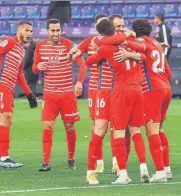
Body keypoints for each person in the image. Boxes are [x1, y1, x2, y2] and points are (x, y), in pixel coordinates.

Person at [85, 19, 148, 184]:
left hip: (119, 91)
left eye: (123, 25)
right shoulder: (121, 40)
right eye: (118, 26)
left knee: (119, 132)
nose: (121, 28)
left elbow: (89, 61)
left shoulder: (110, 44)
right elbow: (143, 52)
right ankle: (91, 171)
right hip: (106, 92)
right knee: (101, 130)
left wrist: (95, 54)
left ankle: (121, 170)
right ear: (113, 27)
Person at [32, 19, 87, 172]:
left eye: (58, 30)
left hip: (66, 94)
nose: (55, 33)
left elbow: (82, 65)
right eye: (52, 31)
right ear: (47, 31)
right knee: (47, 125)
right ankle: (46, 162)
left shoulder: (69, 45)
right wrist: (38, 67)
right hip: (49, 95)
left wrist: (79, 82)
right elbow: (34, 68)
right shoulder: (40, 46)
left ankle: (71, 158)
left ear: (61, 30)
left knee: (69, 127)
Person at [0, 20, 38, 168]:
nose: (29, 34)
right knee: (4, 118)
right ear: (19, 30)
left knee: (7, 120)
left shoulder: (21, 50)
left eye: (31, 32)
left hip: (8, 88)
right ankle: (2, 159)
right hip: (0, 85)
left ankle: (1, 159)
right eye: (26, 30)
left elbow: (19, 73)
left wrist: (29, 93)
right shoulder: (10, 41)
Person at [129, 18, 172, 182]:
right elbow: (168, 73)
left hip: (152, 90)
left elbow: (137, 46)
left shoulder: (141, 42)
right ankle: (166, 169)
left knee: (151, 131)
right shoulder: (157, 44)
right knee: (160, 130)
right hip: (166, 87)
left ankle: (160, 172)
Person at [69, 13, 109, 175]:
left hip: (111, 87)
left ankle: (116, 161)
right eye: (99, 24)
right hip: (94, 88)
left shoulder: (114, 42)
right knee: (95, 124)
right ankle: (98, 160)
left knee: (114, 125)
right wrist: (75, 53)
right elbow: (74, 54)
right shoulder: (89, 41)